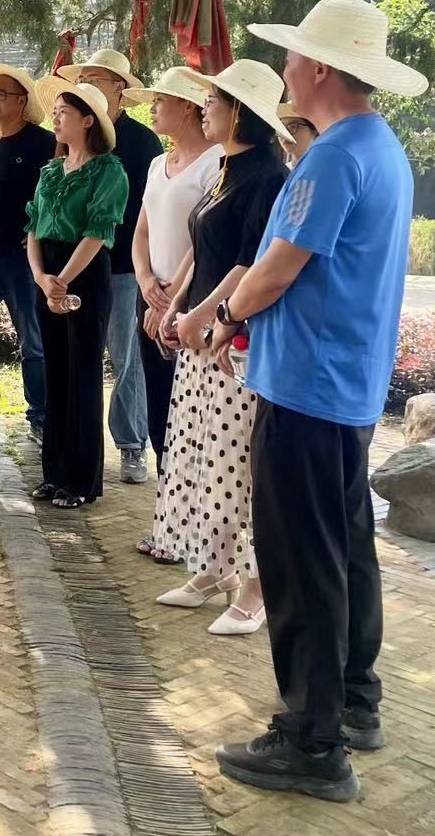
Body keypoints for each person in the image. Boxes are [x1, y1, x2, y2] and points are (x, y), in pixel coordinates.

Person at [211, 0, 428, 803]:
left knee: (300, 563)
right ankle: (352, 699)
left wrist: (226, 316)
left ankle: (311, 741)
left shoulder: (333, 156)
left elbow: (278, 267)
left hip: (305, 385)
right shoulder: (380, 146)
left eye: (294, 57)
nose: (286, 69)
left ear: (321, 70)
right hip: (345, 385)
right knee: (343, 550)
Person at [150, 61, 288, 637]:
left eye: (213, 100)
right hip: (200, 334)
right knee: (202, 454)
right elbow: (200, 251)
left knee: (237, 463)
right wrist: (175, 307)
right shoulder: (223, 169)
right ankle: (213, 568)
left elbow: (248, 262)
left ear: (239, 112)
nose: (203, 108)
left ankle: (255, 589)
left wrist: (204, 315)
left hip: (235, 339)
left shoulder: (268, 176)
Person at [57, 50, 162, 483]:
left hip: (121, 268)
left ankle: (132, 444)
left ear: (119, 88)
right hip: (71, 268)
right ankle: (68, 444)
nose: (86, 84)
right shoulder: (70, 137)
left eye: (96, 79)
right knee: (72, 357)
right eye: (82, 78)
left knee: (126, 357)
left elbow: (148, 212)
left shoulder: (142, 143)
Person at [26, 79, 128, 508]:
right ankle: (54, 473)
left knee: (83, 374)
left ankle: (81, 480)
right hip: (48, 273)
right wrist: (41, 277)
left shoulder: (109, 171)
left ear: (88, 121)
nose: (55, 118)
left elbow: (97, 233)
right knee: (55, 371)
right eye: (55, 112)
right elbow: (33, 228)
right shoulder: (50, 171)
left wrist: (62, 280)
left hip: (83, 275)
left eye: (64, 112)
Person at [124, 67, 221, 496]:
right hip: (151, 294)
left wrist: (170, 299)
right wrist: (146, 279)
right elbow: (141, 230)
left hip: (189, 301)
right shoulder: (155, 164)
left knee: (189, 407)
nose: (153, 108)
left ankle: (188, 499)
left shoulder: (216, 162)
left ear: (187, 106)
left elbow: (204, 241)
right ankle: (168, 496)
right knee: (158, 401)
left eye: (161, 100)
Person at [0, 62, 55, 442]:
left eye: (1, 94)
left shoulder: (45, 143)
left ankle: (40, 417)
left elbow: (55, 195)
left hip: (23, 261)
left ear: (22, 101)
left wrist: (39, 233)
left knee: (33, 342)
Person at [278, 103, 318, 168]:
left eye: (292, 126)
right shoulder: (281, 171)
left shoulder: (324, 168)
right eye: (282, 128)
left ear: (314, 130)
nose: (285, 134)